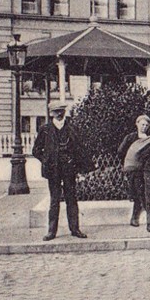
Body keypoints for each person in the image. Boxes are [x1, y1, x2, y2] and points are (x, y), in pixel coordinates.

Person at [32, 100, 94, 241]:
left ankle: (75, 229)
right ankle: (51, 231)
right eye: (56, 111)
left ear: (64, 112)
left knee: (71, 199)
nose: (59, 114)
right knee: (54, 200)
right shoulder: (45, 129)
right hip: (53, 170)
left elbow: (80, 149)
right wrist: (47, 161)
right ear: (51, 113)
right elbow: (36, 150)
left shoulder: (72, 128)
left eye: (61, 111)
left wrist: (78, 165)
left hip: (69, 169)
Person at [118, 114, 150, 227]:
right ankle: (136, 217)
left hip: (147, 169)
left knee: (147, 192)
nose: (144, 127)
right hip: (134, 169)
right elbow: (121, 151)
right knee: (137, 192)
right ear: (137, 124)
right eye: (142, 124)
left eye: (146, 125)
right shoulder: (131, 137)